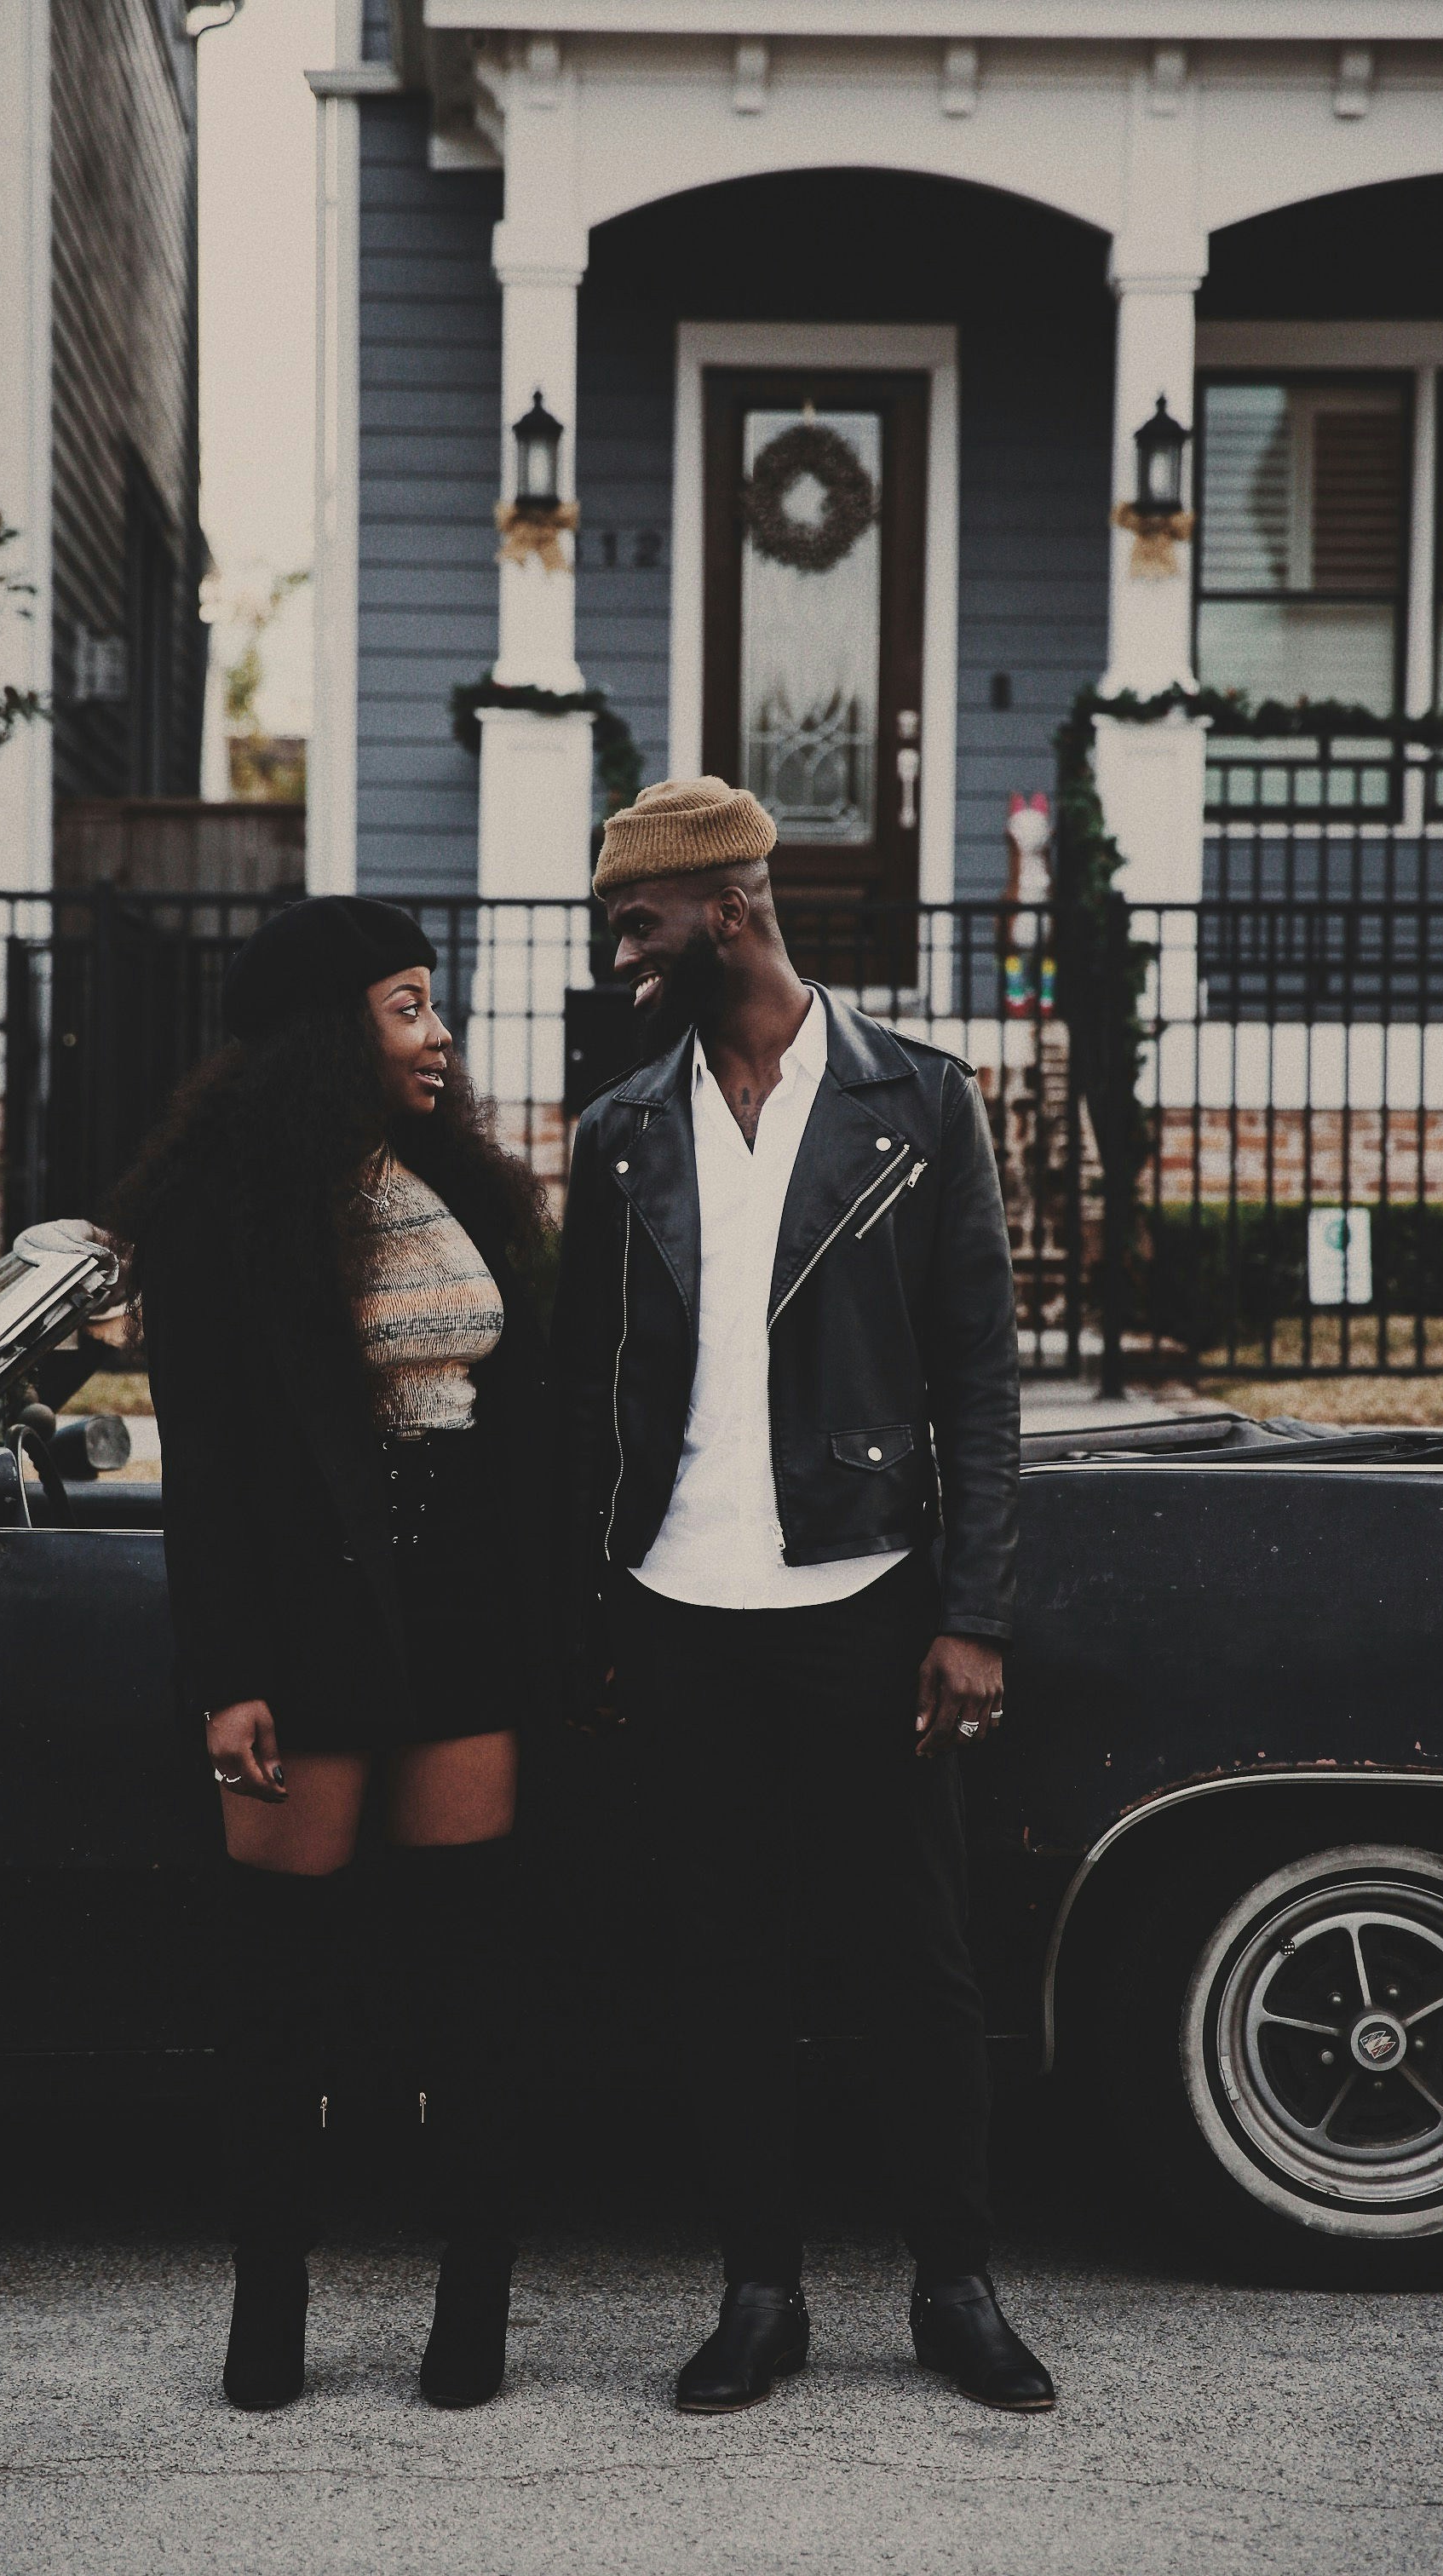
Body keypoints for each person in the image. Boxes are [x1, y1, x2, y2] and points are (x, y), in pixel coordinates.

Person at [553, 777, 1054, 2417]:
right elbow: (583, 1397)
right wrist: (599, 1610)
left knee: (916, 1955)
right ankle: (759, 2296)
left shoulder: (919, 1100)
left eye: (643, 921)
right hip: (678, 1604)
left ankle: (955, 2288)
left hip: (866, 1594)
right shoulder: (622, 1128)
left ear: (735, 909)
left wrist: (969, 1612)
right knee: (722, 1957)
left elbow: (981, 1378)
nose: (623, 951)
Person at [106, 896, 551, 2414]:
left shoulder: (464, 1185)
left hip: (465, 1617)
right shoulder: (226, 1207)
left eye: (435, 1006)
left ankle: (471, 2310)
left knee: (471, 1973)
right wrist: (229, 1672)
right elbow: (212, 1468)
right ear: (326, 1030)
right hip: (301, 1626)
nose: (441, 1036)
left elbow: (525, 1417)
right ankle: (270, 2309)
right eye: (409, 1005)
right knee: (278, 1988)